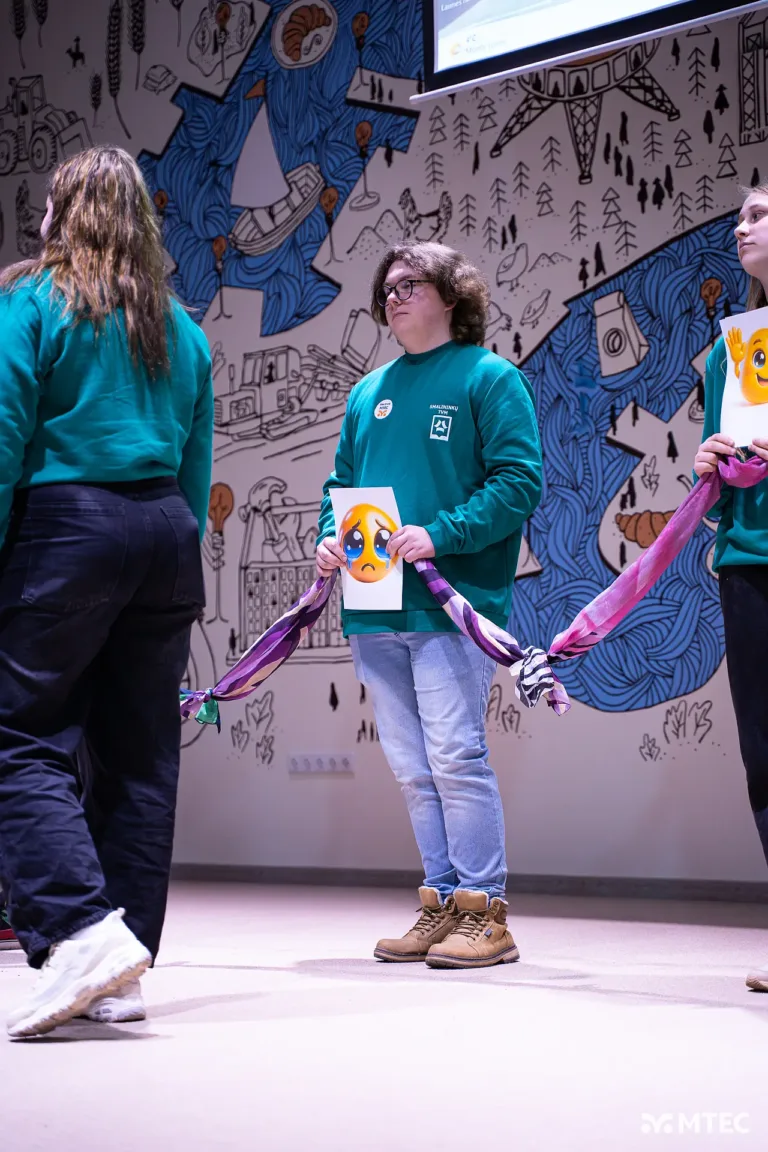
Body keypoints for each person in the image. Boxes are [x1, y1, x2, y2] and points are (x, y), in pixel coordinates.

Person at [0, 146, 213, 1037]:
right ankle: (123, 969)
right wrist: (177, 562)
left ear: (63, 212)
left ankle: (80, 933)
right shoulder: (181, 328)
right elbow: (196, 470)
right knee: (140, 755)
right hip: (165, 534)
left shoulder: (32, 302)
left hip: (66, 531)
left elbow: (4, 433)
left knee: (16, 737)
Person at [316, 242, 542, 968]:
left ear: (452, 295)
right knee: (414, 768)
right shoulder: (367, 392)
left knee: (454, 757)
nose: (394, 296)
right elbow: (340, 486)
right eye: (386, 288)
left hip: (452, 605)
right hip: (374, 608)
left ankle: (485, 912)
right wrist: (328, 539)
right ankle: (441, 904)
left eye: (411, 284)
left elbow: (518, 483)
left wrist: (441, 534)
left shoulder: (489, 377)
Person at [694, 182, 768, 992]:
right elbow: (724, 477)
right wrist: (710, 461)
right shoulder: (732, 351)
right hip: (746, 558)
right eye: (741, 216)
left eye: (758, 214)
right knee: (764, 752)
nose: (740, 227)